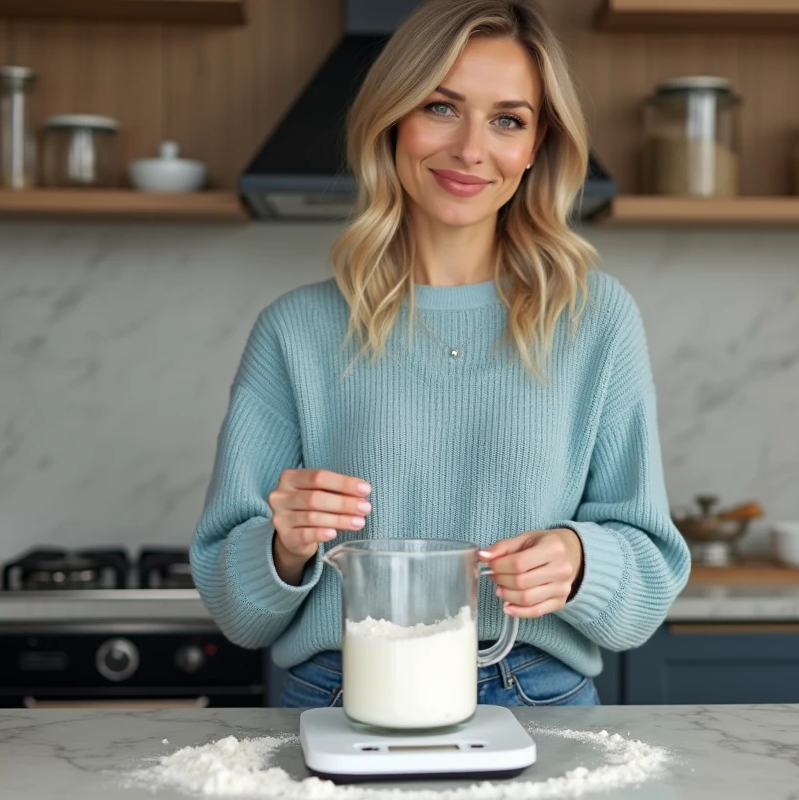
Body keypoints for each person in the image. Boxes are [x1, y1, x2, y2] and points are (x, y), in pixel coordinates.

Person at [190, 0, 690, 709]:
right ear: (393, 119)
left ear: (537, 146)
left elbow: (649, 579)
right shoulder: (294, 332)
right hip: (339, 695)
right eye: (441, 107)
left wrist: (582, 562)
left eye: (507, 120)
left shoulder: (596, 320)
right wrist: (282, 545)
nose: (470, 150)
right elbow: (235, 611)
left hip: (539, 698)